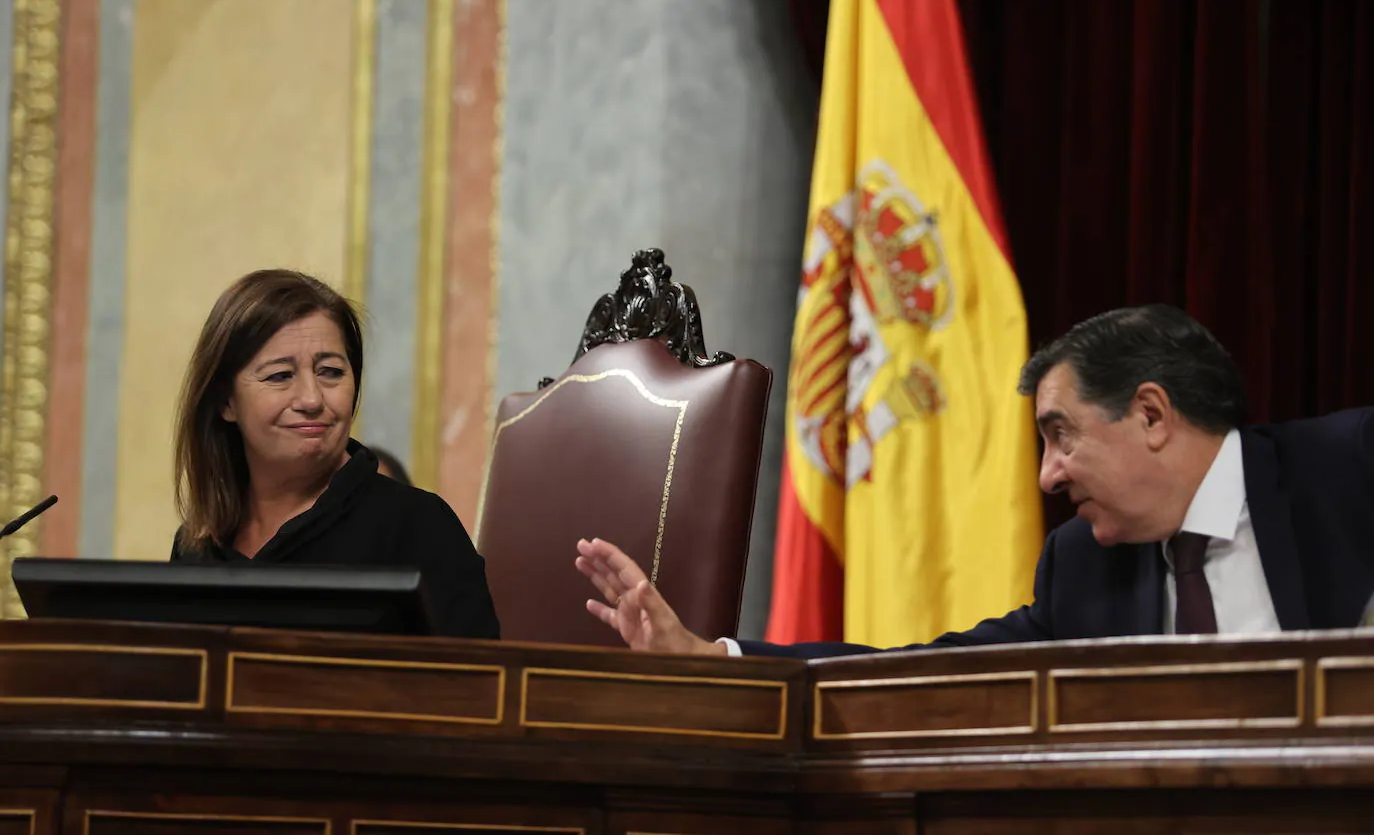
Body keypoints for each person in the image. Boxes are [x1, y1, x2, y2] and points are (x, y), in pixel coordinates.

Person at [576, 304, 1374, 658]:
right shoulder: (1084, 568)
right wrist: (716, 656)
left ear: (1153, 415)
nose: (1047, 474)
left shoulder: (1349, 471)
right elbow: (924, 669)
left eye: (1060, 436)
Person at [170, 269, 500, 640]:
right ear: (225, 401)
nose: (312, 399)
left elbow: (476, 690)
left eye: (330, 372)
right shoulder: (197, 545)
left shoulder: (418, 526)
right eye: (280, 376)